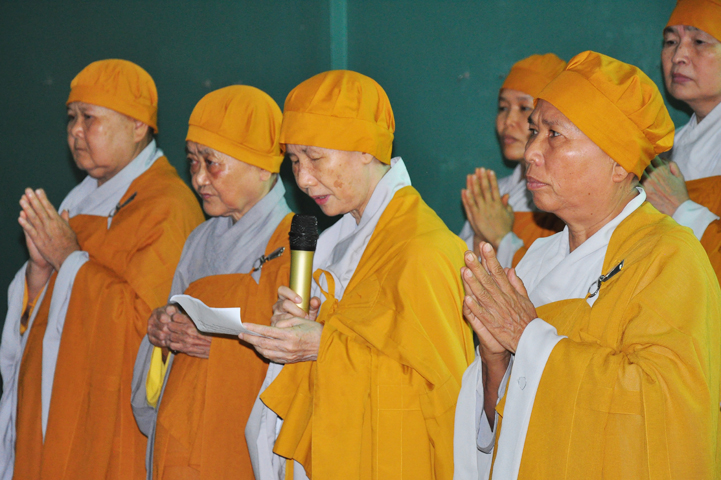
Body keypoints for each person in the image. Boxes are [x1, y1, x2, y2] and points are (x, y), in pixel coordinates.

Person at [454, 51, 721, 479]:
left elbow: (663, 413)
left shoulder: (669, 257)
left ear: (618, 163)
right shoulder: (534, 259)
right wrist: (494, 360)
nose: (531, 152)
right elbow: (500, 429)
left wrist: (527, 337)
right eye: (534, 131)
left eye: (554, 135)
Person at [240, 70, 475, 480]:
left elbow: (445, 400)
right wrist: (304, 327)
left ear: (366, 149)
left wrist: (323, 346)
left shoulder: (424, 250)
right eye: (294, 161)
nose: (303, 179)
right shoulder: (335, 243)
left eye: (315, 157)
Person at [0, 59, 204, 480]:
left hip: (107, 424)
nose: (75, 130)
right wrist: (39, 272)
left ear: (138, 126)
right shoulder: (81, 200)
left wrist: (70, 260)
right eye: (71, 117)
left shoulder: (167, 206)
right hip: (50, 408)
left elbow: (146, 330)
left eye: (89, 118)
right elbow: (41, 319)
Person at [130, 85, 293, 480]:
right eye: (192, 161)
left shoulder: (294, 245)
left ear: (263, 166)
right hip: (180, 431)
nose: (199, 177)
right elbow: (174, 330)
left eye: (212, 163)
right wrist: (161, 332)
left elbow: (297, 357)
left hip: (238, 441)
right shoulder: (198, 240)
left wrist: (222, 346)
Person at [460, 54, 566, 268]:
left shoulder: (568, 198)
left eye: (524, 108)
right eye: (503, 108)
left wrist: (502, 238)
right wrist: (481, 238)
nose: (508, 121)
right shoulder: (494, 195)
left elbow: (554, 279)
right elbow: (456, 270)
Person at [643, 0, 721, 279]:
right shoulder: (664, 146)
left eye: (699, 41)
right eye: (671, 42)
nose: (679, 56)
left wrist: (680, 210)